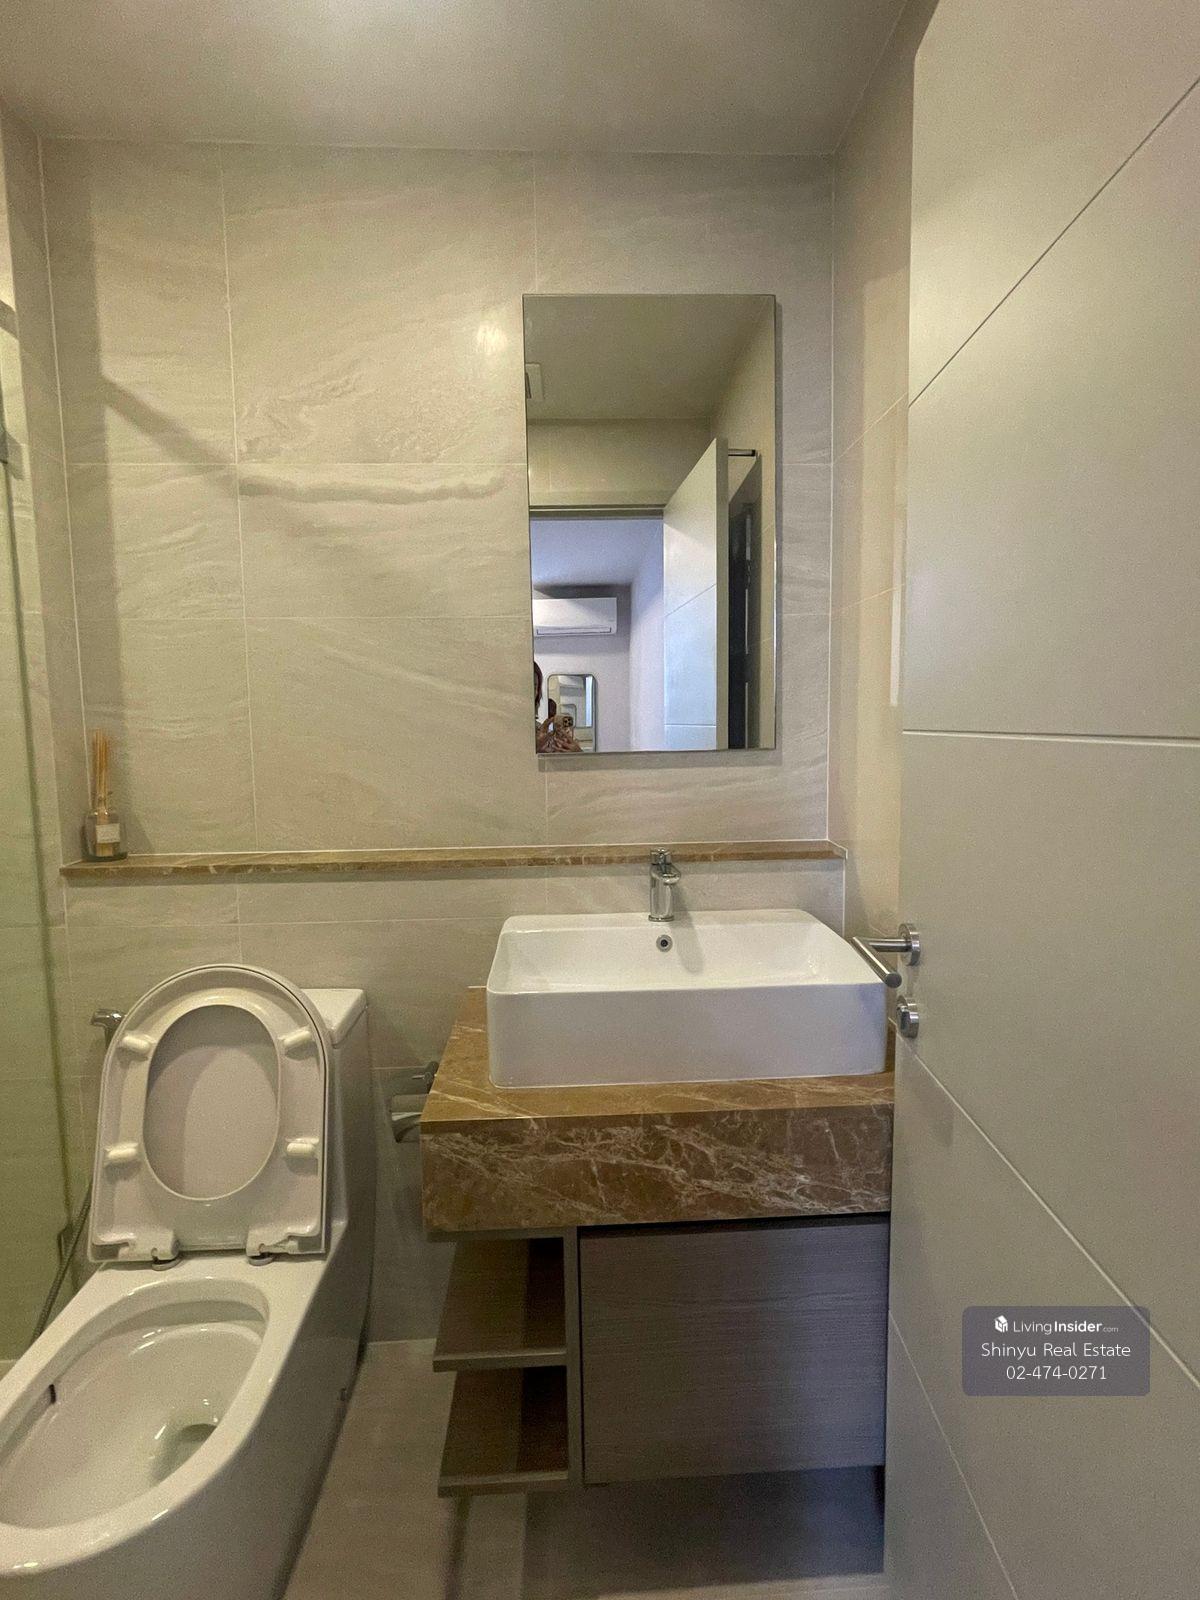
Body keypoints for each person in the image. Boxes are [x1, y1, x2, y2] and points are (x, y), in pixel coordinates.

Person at [534, 661, 581, 753]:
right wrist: (534, 750)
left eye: (535, 687)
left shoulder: (541, 732)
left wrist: (577, 754)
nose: (532, 693)